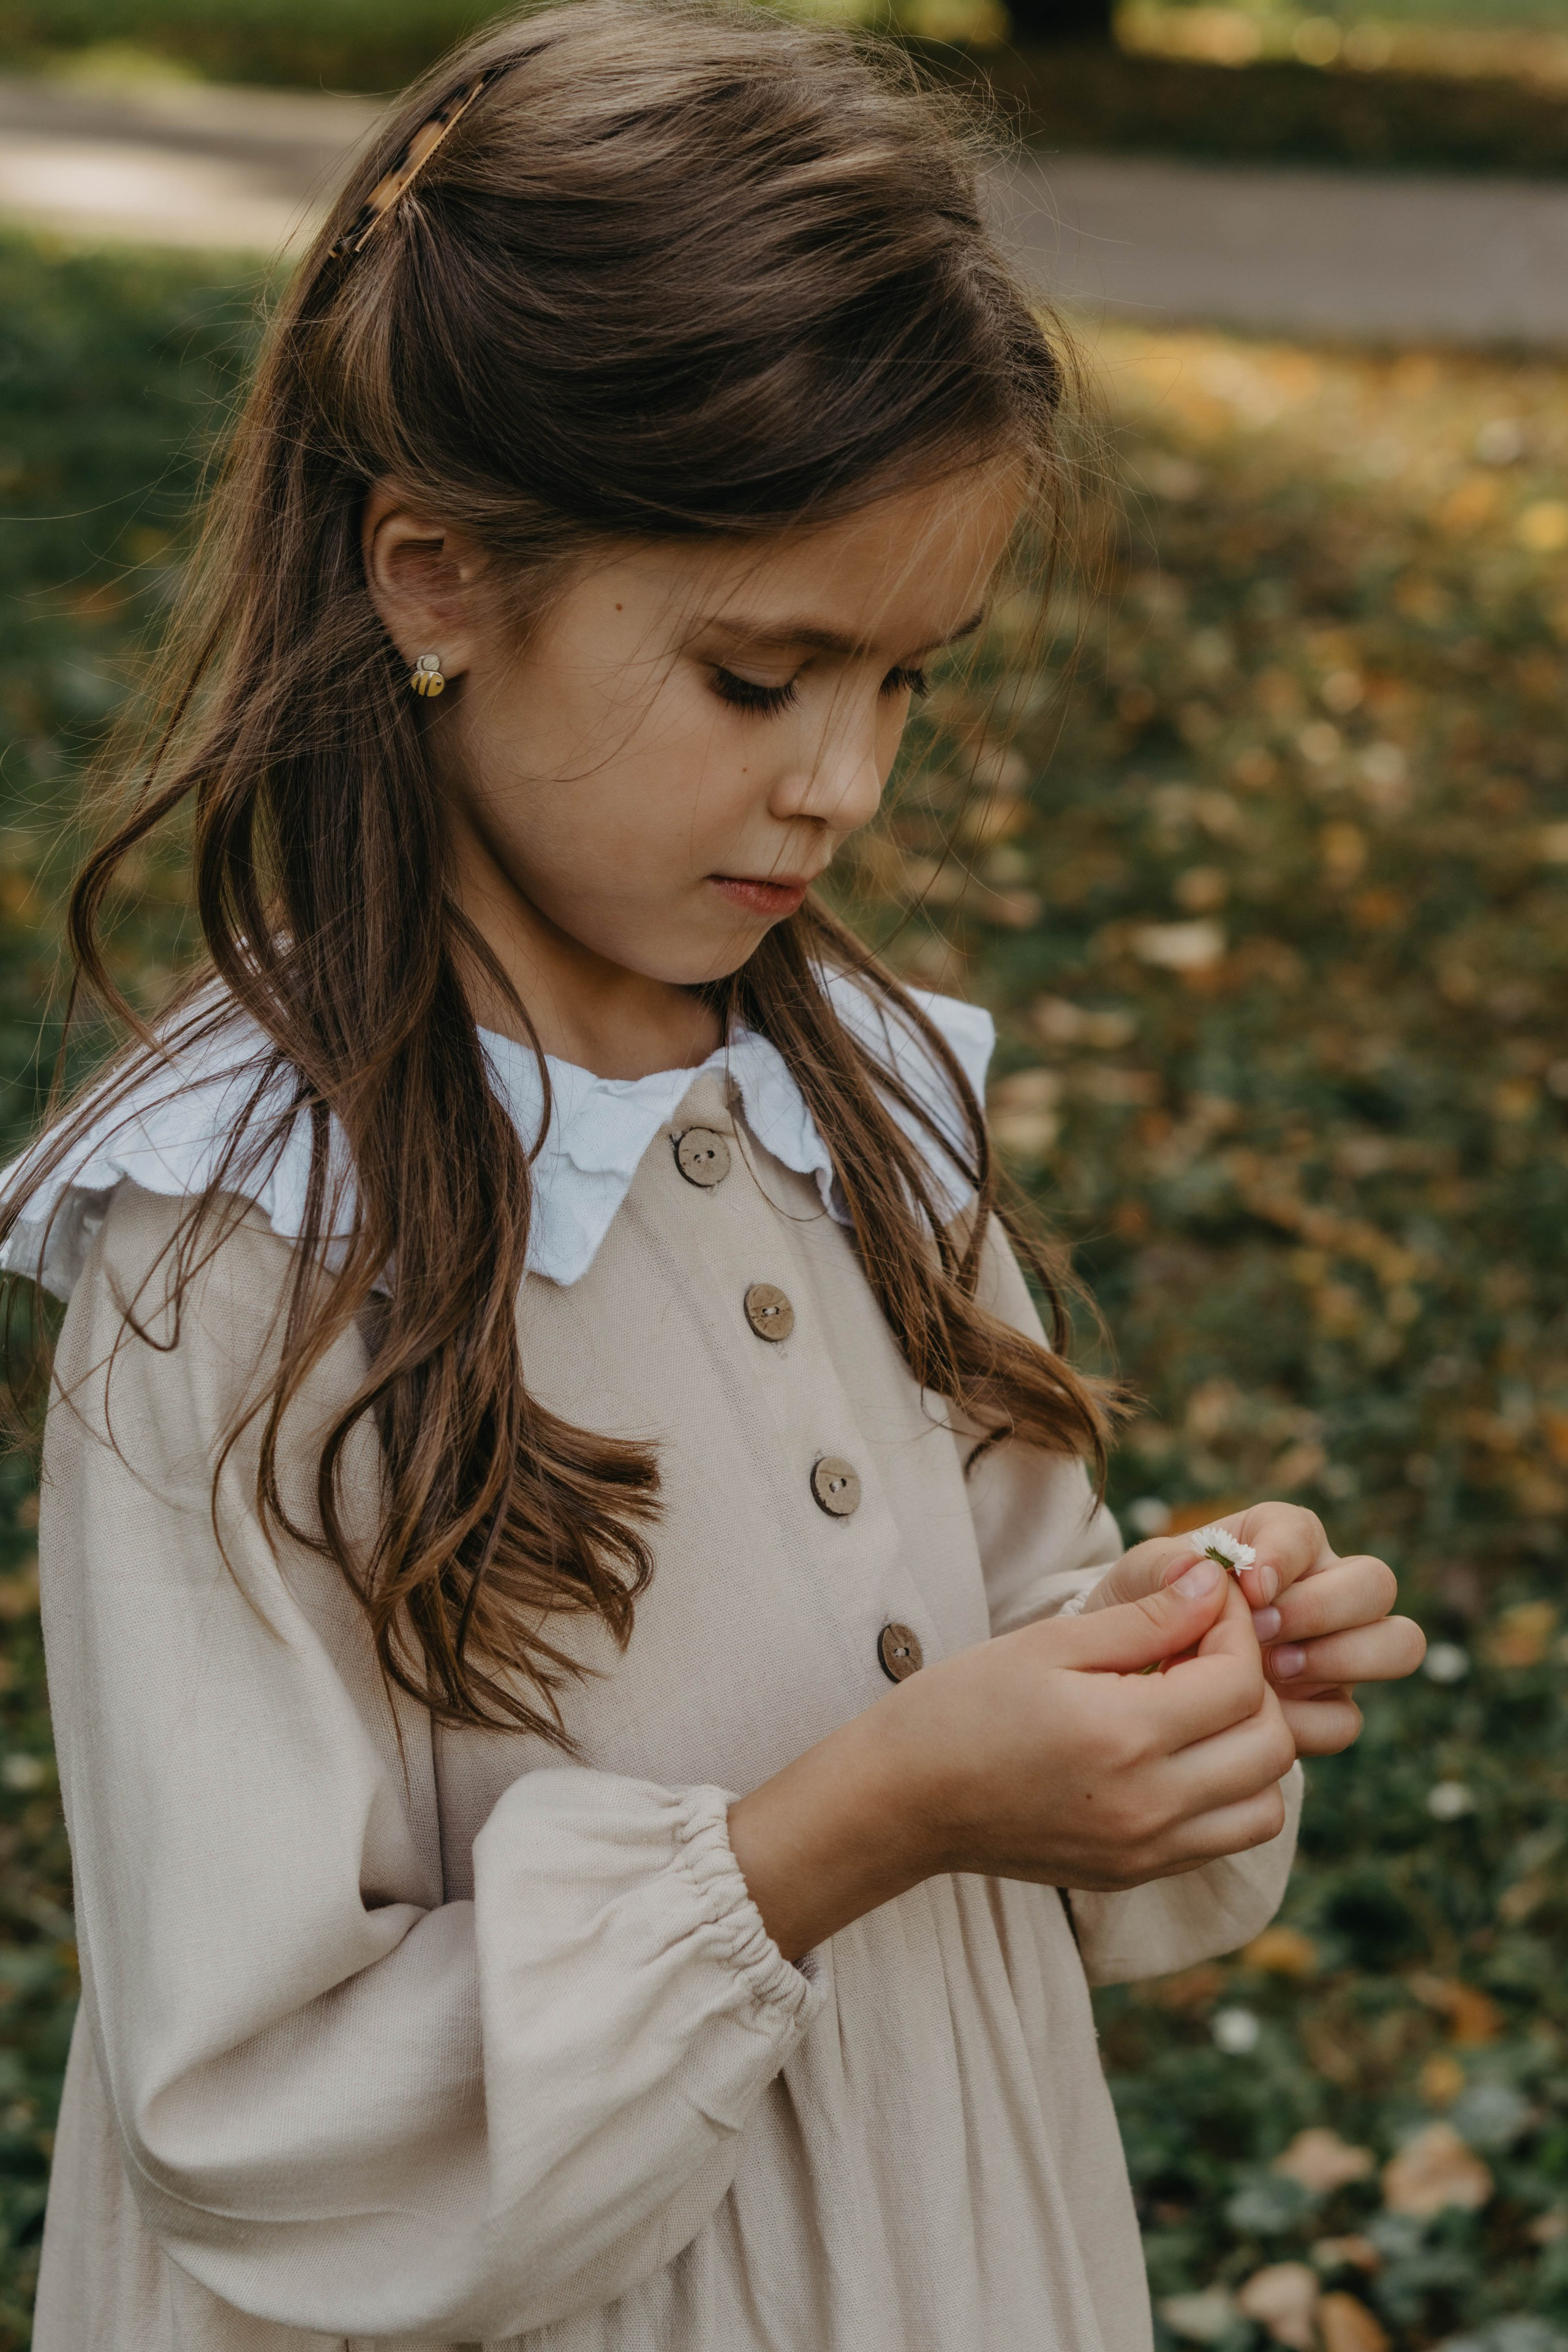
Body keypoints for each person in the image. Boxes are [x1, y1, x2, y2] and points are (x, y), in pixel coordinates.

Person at [1, 6, 1425, 2346]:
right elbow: (246, 2115)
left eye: (909, 687)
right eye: (764, 681)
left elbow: (1000, 1648)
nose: (841, 785)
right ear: (437, 579)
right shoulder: (243, 1244)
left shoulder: (856, 1098)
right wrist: (845, 1828)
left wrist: (1177, 1662)